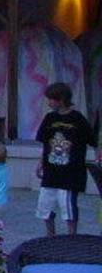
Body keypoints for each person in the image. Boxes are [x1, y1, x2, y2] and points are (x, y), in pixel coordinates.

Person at [35, 82, 93, 236]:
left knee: (68, 207)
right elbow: (45, 143)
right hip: (51, 171)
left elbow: (91, 140)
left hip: (70, 173)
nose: (49, 102)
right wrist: (41, 162)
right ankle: (50, 235)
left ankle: (71, 236)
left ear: (61, 100)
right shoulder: (50, 118)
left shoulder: (77, 119)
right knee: (45, 205)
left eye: (51, 99)